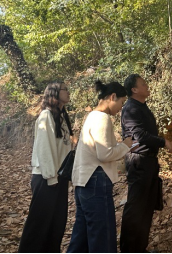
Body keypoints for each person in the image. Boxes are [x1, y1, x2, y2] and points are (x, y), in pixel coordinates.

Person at [68, 81, 136, 254]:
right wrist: (125, 145)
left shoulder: (91, 116)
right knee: (102, 237)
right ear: (112, 97)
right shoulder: (102, 118)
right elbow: (104, 154)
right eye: (121, 102)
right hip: (96, 181)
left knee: (81, 237)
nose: (121, 108)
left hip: (83, 182)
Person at [120, 74, 172, 254]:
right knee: (136, 207)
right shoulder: (130, 108)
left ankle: (140, 248)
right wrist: (163, 142)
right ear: (134, 89)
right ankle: (129, 250)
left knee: (146, 207)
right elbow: (139, 135)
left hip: (148, 160)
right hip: (139, 162)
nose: (147, 86)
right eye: (143, 84)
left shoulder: (141, 106)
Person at [19, 82, 74, 253]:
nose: (68, 92)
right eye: (64, 89)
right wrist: (51, 178)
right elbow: (44, 149)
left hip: (59, 177)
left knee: (56, 224)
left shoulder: (62, 117)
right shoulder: (46, 116)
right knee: (39, 225)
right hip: (46, 178)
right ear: (54, 93)